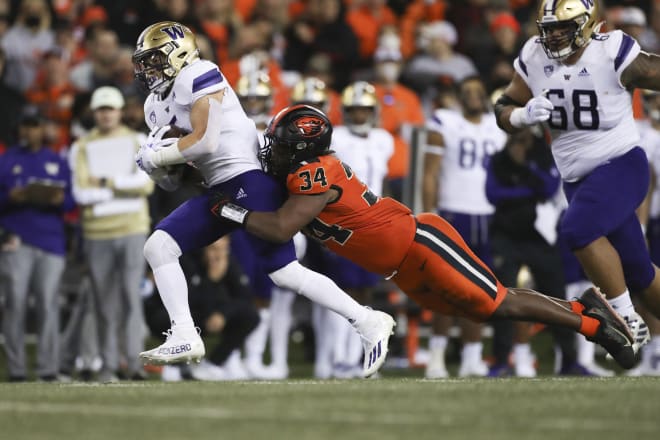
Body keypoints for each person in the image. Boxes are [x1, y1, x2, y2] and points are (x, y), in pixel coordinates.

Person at [210, 104, 640, 372]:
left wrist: (229, 209)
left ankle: (589, 320)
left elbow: (282, 227)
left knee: (497, 300)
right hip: (399, 266)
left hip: (419, 241)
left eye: (282, 146)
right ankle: (585, 314)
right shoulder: (297, 171)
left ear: (305, 149)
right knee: (483, 312)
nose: (274, 152)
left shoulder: (315, 172)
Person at [131, 21, 394, 378]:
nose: (148, 68)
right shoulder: (153, 106)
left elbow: (206, 142)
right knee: (160, 247)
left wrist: (159, 155)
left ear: (179, 54)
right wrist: (159, 169)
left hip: (248, 180)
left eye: (155, 59)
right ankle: (184, 333)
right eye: (144, 61)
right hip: (218, 186)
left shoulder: (198, 73)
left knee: (285, 273)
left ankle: (368, 320)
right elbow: (183, 175)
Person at [492, 0, 660, 351]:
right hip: (577, 181)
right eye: (548, 28)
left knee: (577, 229)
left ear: (585, 25)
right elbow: (503, 108)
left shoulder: (611, 49)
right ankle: (629, 306)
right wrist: (521, 116)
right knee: (640, 273)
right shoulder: (534, 56)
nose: (552, 36)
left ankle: (625, 318)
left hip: (621, 165)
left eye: (561, 28)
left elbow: (652, 71)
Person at [422, 75, 506, 378]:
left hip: (488, 213)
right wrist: (429, 213)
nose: (473, 96)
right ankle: (436, 356)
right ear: (458, 97)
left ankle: (472, 356)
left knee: (480, 289)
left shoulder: (495, 127)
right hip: (453, 213)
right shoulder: (445, 122)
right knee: (446, 288)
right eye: (467, 92)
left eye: (478, 91)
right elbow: (430, 173)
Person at [69, 86, 154, 382]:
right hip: (98, 232)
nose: (106, 114)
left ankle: (131, 364)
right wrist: (122, 188)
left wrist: (104, 182)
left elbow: (145, 185)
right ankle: (107, 365)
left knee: (131, 296)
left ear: (119, 111)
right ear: (95, 113)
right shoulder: (81, 146)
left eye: (111, 109)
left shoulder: (137, 141)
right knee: (103, 301)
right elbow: (80, 193)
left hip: (131, 228)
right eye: (102, 109)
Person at [0, 110, 75, 381]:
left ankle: (47, 369)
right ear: (19, 129)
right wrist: (11, 198)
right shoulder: (6, 161)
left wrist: (58, 200)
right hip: (16, 239)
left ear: (42, 129)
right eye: (26, 127)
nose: (30, 132)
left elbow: (71, 202)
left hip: (52, 242)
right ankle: (17, 370)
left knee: (48, 305)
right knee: (15, 304)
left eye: (34, 126)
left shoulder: (57, 160)